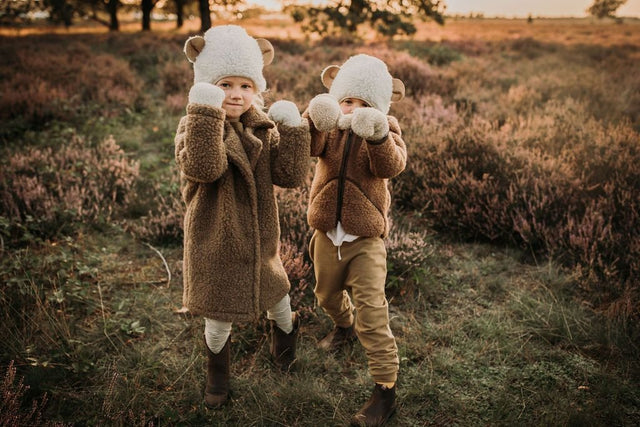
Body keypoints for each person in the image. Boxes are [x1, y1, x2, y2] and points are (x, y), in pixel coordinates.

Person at [174, 25, 311, 408]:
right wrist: (204, 111)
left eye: (245, 86)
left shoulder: (262, 126)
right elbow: (205, 168)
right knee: (217, 316)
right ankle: (218, 373)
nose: (235, 94)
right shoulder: (194, 125)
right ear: (204, 86)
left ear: (258, 89)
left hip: (259, 236)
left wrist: (293, 128)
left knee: (278, 298)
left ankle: (285, 335)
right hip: (215, 236)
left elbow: (290, 175)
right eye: (224, 84)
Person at [303, 54, 407, 426]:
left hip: (365, 239)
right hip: (327, 233)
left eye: (365, 104)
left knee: (373, 314)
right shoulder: (330, 127)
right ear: (337, 97)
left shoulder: (386, 129)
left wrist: (377, 133)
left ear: (379, 106)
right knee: (325, 295)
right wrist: (313, 118)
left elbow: (390, 166)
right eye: (348, 100)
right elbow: (309, 148)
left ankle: (385, 390)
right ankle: (342, 325)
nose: (355, 109)